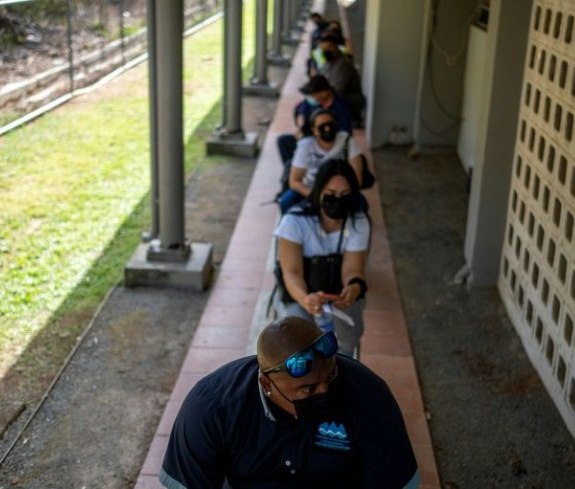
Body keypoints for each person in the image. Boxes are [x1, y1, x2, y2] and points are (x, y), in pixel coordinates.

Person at [159, 317, 421, 489]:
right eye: (307, 389)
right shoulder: (211, 407)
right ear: (266, 385)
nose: (325, 392)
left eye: (330, 377)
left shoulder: (369, 397)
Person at [275, 159, 369, 355]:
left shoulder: (358, 222)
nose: (337, 200)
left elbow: (353, 269)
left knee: (349, 334)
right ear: (318, 192)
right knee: (296, 338)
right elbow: (292, 273)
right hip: (300, 293)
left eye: (344, 195)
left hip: (336, 294)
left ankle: (341, 371)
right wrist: (305, 299)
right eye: (331, 194)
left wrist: (352, 287)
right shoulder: (294, 221)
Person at [278, 108, 364, 213]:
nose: (327, 129)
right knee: (286, 202)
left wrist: (340, 195)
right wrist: (317, 196)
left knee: (361, 205)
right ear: (314, 130)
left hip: (339, 191)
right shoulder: (306, 146)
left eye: (330, 124)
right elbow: (294, 181)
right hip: (310, 189)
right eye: (322, 127)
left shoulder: (347, 142)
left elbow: (357, 180)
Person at [276, 75, 353, 165]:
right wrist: (301, 124)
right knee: (283, 141)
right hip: (309, 138)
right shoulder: (312, 102)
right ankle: (293, 168)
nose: (312, 98)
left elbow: (345, 133)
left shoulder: (341, 107)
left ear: (324, 92)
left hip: (329, 144)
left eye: (314, 94)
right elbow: (302, 110)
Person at [317, 33, 365, 125]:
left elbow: (337, 90)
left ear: (337, 47)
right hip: (337, 101)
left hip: (348, 105)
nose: (326, 50)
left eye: (330, 47)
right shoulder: (328, 63)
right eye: (323, 49)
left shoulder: (343, 64)